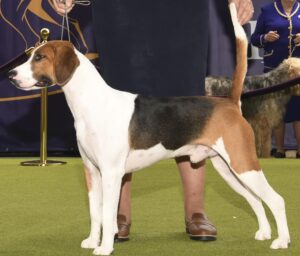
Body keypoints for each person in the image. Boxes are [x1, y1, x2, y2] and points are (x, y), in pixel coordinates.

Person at [52, 0, 254, 242]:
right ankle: (118, 213)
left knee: (186, 102)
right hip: (119, 10)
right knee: (117, 110)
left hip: (182, 12)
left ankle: (196, 210)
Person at [251, 0, 300, 159]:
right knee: (276, 110)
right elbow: (255, 39)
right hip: (274, 70)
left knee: (298, 110)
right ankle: (279, 149)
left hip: (298, 72)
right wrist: (265, 37)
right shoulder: (267, 10)